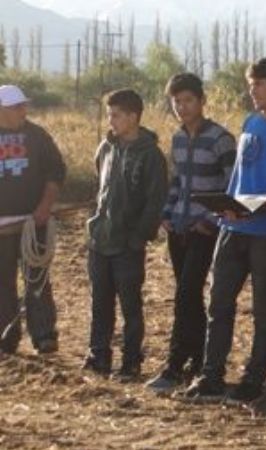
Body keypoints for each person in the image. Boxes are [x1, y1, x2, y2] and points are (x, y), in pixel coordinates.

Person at [182, 57, 266, 404]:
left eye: (259, 85)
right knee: (218, 304)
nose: (252, 91)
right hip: (232, 228)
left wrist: (253, 207)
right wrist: (226, 208)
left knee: (265, 312)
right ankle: (211, 376)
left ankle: (254, 380)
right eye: (251, 85)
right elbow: (237, 176)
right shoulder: (250, 122)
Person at [144, 73, 237, 394]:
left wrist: (210, 220)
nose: (182, 107)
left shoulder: (221, 139)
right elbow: (177, 182)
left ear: (201, 101)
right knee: (189, 298)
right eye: (176, 102)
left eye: (187, 100)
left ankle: (173, 365)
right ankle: (197, 361)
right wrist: (166, 215)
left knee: (186, 294)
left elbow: (232, 188)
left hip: (206, 230)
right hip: (178, 228)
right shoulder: (178, 138)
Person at [83, 89, 168, 381]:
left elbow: (155, 201)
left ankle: (131, 360)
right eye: (109, 115)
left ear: (134, 117)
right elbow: (100, 190)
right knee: (100, 301)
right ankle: (98, 355)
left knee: (130, 304)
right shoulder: (106, 148)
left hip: (128, 243)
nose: (111, 121)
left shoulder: (151, 155)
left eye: (116, 115)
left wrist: (138, 237)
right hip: (101, 239)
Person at [0, 84, 65, 355]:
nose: (23, 110)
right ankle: (6, 337)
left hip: (32, 223)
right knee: (2, 283)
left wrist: (44, 206)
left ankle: (44, 335)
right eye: (17, 106)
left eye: (24, 105)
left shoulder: (37, 136)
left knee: (37, 280)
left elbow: (55, 172)